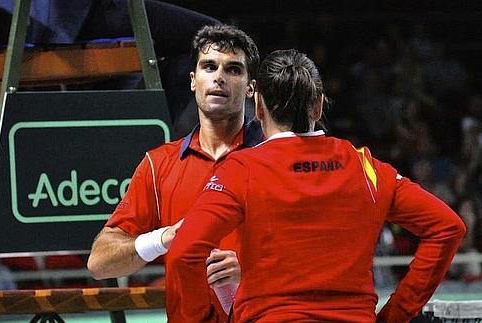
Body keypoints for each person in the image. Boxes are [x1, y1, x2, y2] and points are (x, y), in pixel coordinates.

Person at [166, 49, 466, 322]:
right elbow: (447, 227)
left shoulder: (241, 170)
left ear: (258, 107)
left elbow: (184, 253)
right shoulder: (366, 168)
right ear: (319, 106)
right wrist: (394, 315)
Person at [87, 24, 261, 320]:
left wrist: (254, 270)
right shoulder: (158, 165)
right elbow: (100, 262)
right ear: (193, 81)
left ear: (250, 88)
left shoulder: (274, 157)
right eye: (209, 67)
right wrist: (165, 238)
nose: (219, 77)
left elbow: (319, 253)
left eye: (233, 69)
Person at [0, 0, 221, 136]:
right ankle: (146, 139)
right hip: (61, 15)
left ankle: (131, 137)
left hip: (28, 17)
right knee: (213, 36)